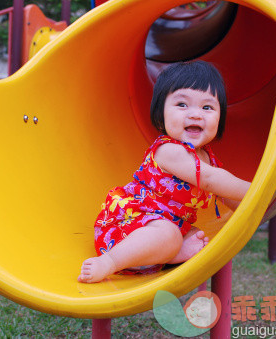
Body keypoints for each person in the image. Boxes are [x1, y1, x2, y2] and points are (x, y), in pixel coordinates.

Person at [78, 61, 251, 283]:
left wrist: (259, 206)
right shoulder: (169, 151)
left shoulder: (207, 158)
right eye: (182, 104)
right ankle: (109, 262)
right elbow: (209, 181)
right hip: (130, 225)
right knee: (169, 234)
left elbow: (225, 194)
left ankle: (169, 254)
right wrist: (257, 188)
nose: (196, 114)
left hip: (164, 228)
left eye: (207, 107)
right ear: (161, 114)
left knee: (194, 236)